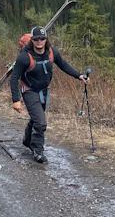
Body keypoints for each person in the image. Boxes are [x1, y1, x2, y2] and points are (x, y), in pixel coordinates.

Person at [9, 26, 87, 163]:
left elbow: (63, 65)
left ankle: (27, 140)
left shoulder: (52, 52)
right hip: (30, 90)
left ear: (46, 39)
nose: (39, 41)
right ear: (32, 40)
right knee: (41, 122)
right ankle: (38, 151)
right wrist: (16, 100)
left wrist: (78, 75)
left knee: (36, 119)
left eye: (42, 38)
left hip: (44, 90)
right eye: (36, 39)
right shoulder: (24, 57)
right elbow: (14, 78)